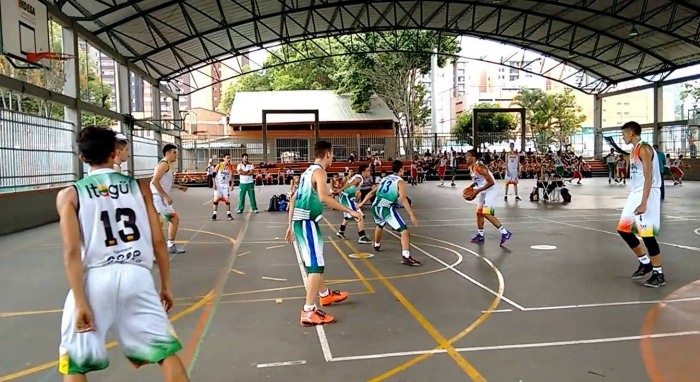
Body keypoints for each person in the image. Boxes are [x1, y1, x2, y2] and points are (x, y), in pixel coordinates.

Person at [55, 126, 188, 381]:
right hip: (137, 277)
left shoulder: (69, 195)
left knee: (75, 364)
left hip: (95, 280)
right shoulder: (140, 188)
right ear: (114, 152)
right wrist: (166, 285)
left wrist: (81, 301)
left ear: (82, 158)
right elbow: (159, 241)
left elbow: (72, 252)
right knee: (165, 352)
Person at [286, 141, 362, 326]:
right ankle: (308, 311)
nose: (333, 158)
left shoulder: (307, 172)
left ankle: (325, 295)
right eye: (333, 154)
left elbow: (294, 197)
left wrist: (289, 225)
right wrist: (351, 211)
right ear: (328, 153)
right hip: (306, 223)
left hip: (303, 221)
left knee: (317, 261)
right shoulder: (320, 172)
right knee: (315, 266)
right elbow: (324, 197)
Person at [617, 121, 665, 288]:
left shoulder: (644, 148)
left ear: (631, 133)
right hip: (636, 192)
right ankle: (645, 263)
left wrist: (644, 202)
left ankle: (659, 274)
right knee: (623, 229)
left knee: (646, 233)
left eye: (624, 134)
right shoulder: (634, 150)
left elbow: (649, 176)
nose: (623, 137)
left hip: (648, 192)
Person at [357, 160, 421, 266]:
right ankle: (406, 256)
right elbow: (403, 198)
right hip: (386, 207)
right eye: (403, 168)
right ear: (401, 169)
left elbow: (372, 192)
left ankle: (376, 245)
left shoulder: (385, 178)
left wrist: (362, 203)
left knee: (379, 225)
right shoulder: (400, 181)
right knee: (404, 231)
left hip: (375, 206)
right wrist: (411, 214)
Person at [465, 149, 512, 246]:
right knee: (479, 212)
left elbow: (491, 182)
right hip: (484, 190)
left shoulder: (480, 167)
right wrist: (472, 186)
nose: (466, 158)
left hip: (491, 190)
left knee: (486, 213)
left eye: (468, 156)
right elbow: (479, 180)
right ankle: (480, 235)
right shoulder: (471, 167)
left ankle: (505, 233)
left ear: (473, 157)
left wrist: (477, 190)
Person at [150, 144, 187, 254]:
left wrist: (178, 186)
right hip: (158, 199)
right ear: (167, 153)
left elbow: (165, 183)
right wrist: (165, 196)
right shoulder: (163, 164)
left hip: (163, 200)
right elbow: (154, 181)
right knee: (159, 224)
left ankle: (170, 245)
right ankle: (152, 250)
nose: (176, 155)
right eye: (174, 152)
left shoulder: (169, 166)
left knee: (174, 220)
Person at [335, 164, 371, 244]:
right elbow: (349, 185)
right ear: (363, 171)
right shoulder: (358, 178)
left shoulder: (358, 177)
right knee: (359, 215)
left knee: (347, 216)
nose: (370, 172)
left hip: (347, 197)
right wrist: (339, 190)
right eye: (368, 170)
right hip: (346, 197)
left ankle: (341, 232)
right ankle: (362, 236)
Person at [211, 154, 235, 221]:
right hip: (218, 185)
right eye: (227, 158)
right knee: (216, 200)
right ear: (223, 158)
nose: (229, 159)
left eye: (229, 158)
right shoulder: (219, 165)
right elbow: (213, 175)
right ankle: (214, 214)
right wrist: (214, 184)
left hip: (226, 185)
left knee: (227, 200)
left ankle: (228, 214)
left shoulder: (230, 166)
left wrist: (232, 183)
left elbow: (232, 175)